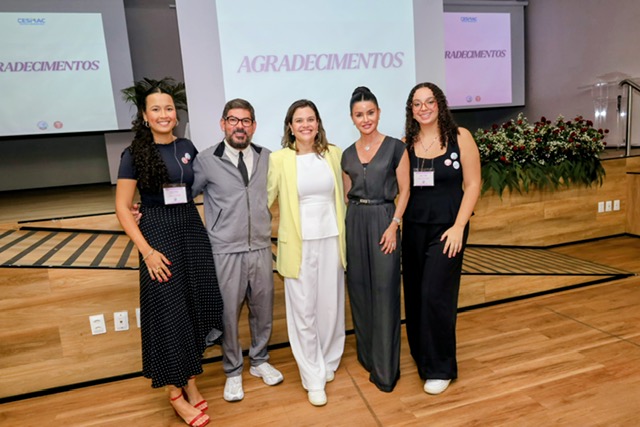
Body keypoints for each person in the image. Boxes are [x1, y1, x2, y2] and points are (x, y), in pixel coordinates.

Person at [115, 77, 223, 427]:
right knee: (170, 313)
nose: (164, 114)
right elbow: (122, 207)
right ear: (145, 116)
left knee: (193, 306)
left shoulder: (187, 145)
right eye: (156, 109)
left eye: (169, 108)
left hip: (190, 229)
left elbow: (194, 187)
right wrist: (147, 251)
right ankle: (174, 394)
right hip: (157, 235)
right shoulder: (133, 154)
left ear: (176, 115)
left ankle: (189, 381)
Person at [191, 99, 283, 402]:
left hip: (260, 247)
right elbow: (185, 195)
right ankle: (232, 371)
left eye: (245, 121)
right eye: (233, 120)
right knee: (229, 314)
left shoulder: (267, 157)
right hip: (225, 250)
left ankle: (260, 360)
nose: (239, 126)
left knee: (262, 309)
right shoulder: (206, 160)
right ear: (223, 124)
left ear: (253, 126)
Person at [401, 82, 481, 395]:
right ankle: (423, 356)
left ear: (440, 104)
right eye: (417, 103)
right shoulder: (406, 145)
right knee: (416, 294)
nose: (424, 108)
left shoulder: (460, 137)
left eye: (429, 101)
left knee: (436, 294)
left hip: (448, 229)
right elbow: (401, 189)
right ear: (411, 110)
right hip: (414, 228)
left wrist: (460, 226)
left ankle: (440, 367)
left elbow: (472, 184)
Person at [267, 99, 346, 407]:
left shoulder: (334, 154)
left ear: (318, 123)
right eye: (299, 120)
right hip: (297, 245)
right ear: (290, 126)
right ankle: (312, 375)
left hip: (332, 239)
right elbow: (264, 201)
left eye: (310, 119)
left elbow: (346, 195)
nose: (305, 125)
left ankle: (328, 359)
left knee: (330, 306)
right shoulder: (279, 159)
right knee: (303, 310)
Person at [341, 87, 410, 392]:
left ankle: (385, 369)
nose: (365, 119)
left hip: (385, 220)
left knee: (385, 291)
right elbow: (347, 195)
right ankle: (368, 357)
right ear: (352, 118)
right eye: (359, 114)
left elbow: (405, 191)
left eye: (370, 112)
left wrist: (394, 224)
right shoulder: (347, 154)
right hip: (356, 220)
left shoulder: (396, 148)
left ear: (379, 113)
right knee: (359, 290)